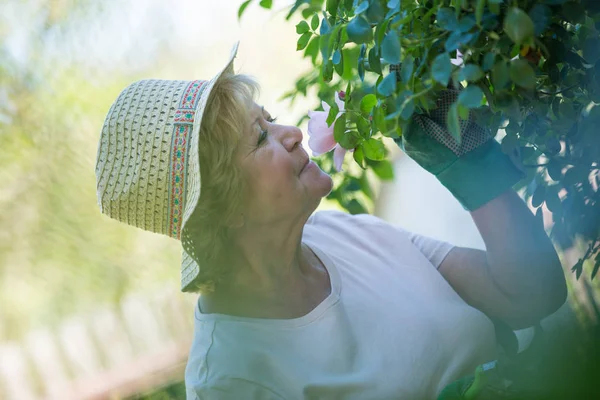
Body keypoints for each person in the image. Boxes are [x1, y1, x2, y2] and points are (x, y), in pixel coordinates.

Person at [95, 42, 567, 399]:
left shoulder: (341, 233)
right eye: (261, 139)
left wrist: (469, 164)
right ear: (224, 207)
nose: (294, 134)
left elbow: (530, 293)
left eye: (271, 120)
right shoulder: (230, 378)